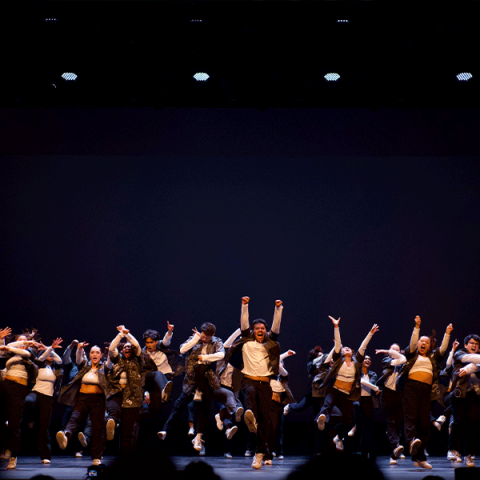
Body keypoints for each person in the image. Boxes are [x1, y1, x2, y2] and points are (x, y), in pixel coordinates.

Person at [158, 322, 236, 453]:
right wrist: (195, 339)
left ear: (213, 335)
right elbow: (182, 349)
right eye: (203, 336)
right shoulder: (195, 338)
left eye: (207, 337)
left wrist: (205, 357)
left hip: (208, 381)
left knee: (204, 409)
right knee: (179, 405)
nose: (204, 339)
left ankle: (199, 437)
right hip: (191, 381)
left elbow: (221, 355)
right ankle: (166, 430)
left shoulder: (217, 342)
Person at [226, 296, 283, 469]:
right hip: (249, 379)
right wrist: (244, 305)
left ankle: (260, 453)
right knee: (249, 392)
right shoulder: (247, 341)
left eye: (262, 328)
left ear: (266, 331)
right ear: (252, 330)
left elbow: (276, 327)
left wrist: (278, 309)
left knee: (265, 420)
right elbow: (244, 323)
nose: (260, 329)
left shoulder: (270, 343)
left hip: (265, 384)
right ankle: (249, 413)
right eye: (256, 328)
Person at [315, 316, 379, 455]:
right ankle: (322, 419)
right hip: (335, 390)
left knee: (349, 422)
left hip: (347, 395)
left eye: (349, 349)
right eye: (345, 349)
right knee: (327, 404)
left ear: (352, 352)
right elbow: (338, 344)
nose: (347, 349)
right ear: (342, 353)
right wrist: (336, 327)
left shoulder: (357, 362)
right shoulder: (338, 360)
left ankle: (338, 435)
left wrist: (370, 334)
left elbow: (363, 346)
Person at [396, 315, 452, 469]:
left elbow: (443, 350)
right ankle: (411, 440)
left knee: (425, 423)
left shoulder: (433, 358)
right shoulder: (412, 355)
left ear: (429, 346)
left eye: (426, 343)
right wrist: (417, 327)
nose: (423, 344)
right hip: (410, 387)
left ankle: (420, 458)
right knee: (411, 416)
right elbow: (412, 343)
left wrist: (447, 333)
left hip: (426, 390)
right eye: (422, 341)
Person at [56, 342, 115, 466]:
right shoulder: (85, 366)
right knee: (75, 418)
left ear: (100, 355)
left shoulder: (104, 367)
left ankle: (96, 457)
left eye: (97, 352)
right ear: (89, 354)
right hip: (82, 397)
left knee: (97, 428)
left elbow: (110, 360)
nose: (94, 354)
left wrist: (109, 351)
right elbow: (78, 359)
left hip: (98, 400)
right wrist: (79, 348)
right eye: (92, 352)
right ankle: (66, 436)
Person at [0, 328, 39, 470]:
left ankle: (13, 456)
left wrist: (24, 343)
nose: (22, 343)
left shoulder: (30, 352)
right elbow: (1, 351)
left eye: (24, 340)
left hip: (19, 389)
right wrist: (2, 340)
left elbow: (24, 352)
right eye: (19, 340)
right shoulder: (10, 354)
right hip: (6, 385)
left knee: (15, 424)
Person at [24, 337, 64, 464]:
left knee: (44, 427)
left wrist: (49, 349)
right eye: (49, 355)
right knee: (27, 401)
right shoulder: (38, 365)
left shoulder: (55, 370)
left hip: (48, 397)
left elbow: (60, 360)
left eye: (51, 355)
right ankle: (25, 417)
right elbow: (41, 358)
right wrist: (50, 348)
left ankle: (45, 455)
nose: (51, 356)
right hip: (36, 393)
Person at [107, 325, 145, 454]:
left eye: (129, 347)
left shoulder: (138, 360)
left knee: (127, 431)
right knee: (112, 417)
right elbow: (112, 348)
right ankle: (112, 424)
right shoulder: (118, 360)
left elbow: (137, 345)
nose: (127, 348)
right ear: (122, 351)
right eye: (124, 347)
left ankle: (125, 457)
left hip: (132, 399)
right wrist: (120, 335)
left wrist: (127, 334)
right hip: (118, 395)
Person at [448, 333, 480, 467]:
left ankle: (469, 455)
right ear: (466, 345)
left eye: (477, 344)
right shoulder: (459, 354)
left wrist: (467, 369)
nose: (474, 346)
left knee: (472, 425)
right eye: (472, 343)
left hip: (474, 395)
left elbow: (476, 365)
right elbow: (469, 358)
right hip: (459, 394)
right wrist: (471, 366)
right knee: (458, 422)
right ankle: (453, 450)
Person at [375, 343, 407, 464]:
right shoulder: (387, 360)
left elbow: (403, 360)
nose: (393, 351)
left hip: (399, 394)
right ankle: (393, 452)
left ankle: (397, 446)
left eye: (396, 350)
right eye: (392, 350)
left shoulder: (404, 363)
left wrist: (387, 350)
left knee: (398, 422)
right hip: (387, 394)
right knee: (391, 422)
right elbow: (397, 360)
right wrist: (387, 351)